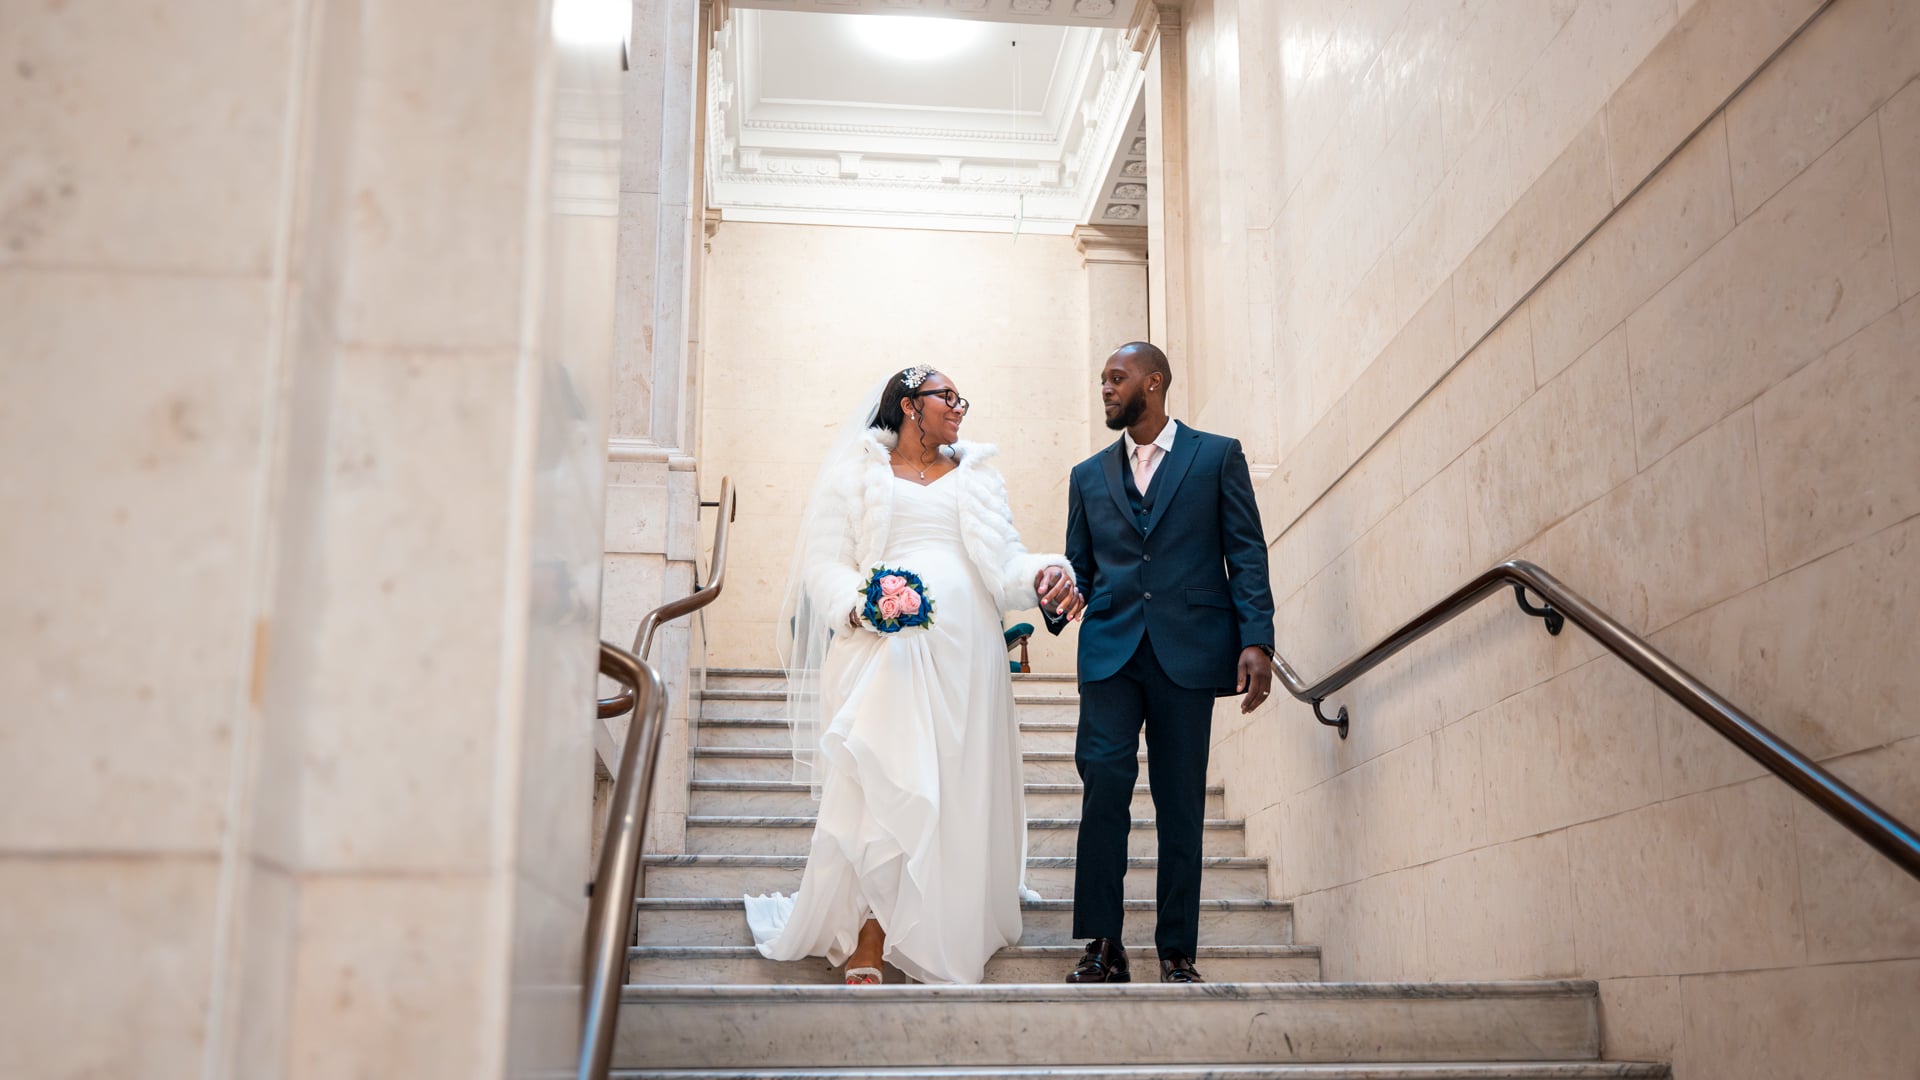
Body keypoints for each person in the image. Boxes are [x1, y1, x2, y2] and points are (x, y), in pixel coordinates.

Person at [746, 364, 1086, 985]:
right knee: (887, 771)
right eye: (947, 397)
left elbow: (1004, 560)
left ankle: (940, 921)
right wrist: (862, 604)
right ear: (909, 406)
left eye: (961, 398)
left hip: (969, 653)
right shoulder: (855, 476)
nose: (959, 407)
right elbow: (824, 565)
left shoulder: (977, 477)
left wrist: (1040, 574)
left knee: (949, 786)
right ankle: (871, 933)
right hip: (887, 643)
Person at [1045, 341, 1275, 984]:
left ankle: (1177, 949)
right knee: (1104, 791)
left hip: (1190, 650)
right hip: (1111, 655)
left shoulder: (1216, 456)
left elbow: (1246, 551)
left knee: (1181, 803)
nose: (1107, 389)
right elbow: (1080, 570)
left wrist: (1256, 638)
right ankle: (1102, 942)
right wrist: (1059, 597)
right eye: (1102, 381)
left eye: (1117, 379)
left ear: (1155, 382)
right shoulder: (1087, 476)